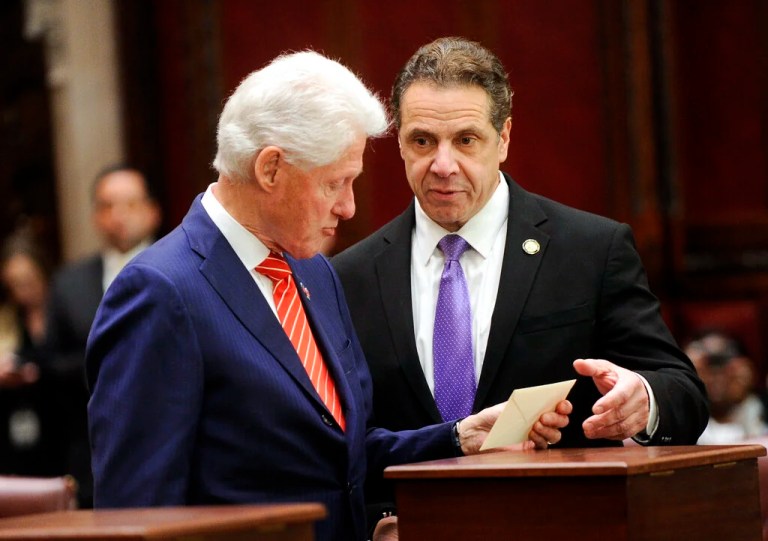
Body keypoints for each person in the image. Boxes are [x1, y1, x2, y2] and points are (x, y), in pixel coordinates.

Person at [85, 51, 570, 541]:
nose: (349, 205)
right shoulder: (160, 291)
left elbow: (341, 454)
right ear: (271, 169)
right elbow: (135, 512)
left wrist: (456, 439)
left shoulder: (313, 270)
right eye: (335, 183)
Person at [332, 37, 708, 456]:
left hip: (554, 514)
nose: (442, 165)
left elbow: (684, 394)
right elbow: (345, 443)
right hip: (410, 519)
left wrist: (643, 399)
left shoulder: (590, 251)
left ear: (504, 137)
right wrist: (378, 522)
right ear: (400, 142)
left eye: (466, 140)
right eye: (423, 141)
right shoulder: (350, 277)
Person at [45, 164, 161, 507]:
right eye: (107, 206)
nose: (118, 216)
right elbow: (52, 364)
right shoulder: (69, 284)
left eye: (129, 204)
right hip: (91, 455)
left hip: (164, 443)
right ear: (95, 216)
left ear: (152, 211)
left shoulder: (183, 270)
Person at [0, 232, 59, 476]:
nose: (23, 291)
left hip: (61, 418)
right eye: (15, 284)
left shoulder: (63, 311)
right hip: (20, 425)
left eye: (28, 281)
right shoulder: (7, 320)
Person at [684, 330, 768, 444]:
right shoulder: (683, 421)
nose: (716, 376)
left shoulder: (760, 408)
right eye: (706, 368)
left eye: (723, 361)